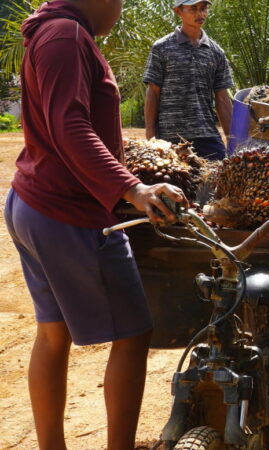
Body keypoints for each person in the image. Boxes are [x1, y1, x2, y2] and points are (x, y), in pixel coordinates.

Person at [6, 0, 187, 448]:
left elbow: (70, 122)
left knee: (53, 332)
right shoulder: (65, 34)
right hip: (68, 212)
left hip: (34, 204)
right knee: (134, 332)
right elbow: (69, 125)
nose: (122, 8)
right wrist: (133, 189)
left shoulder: (54, 31)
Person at [143, 0, 234, 160]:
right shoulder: (161, 48)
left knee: (217, 180)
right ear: (178, 11)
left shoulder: (216, 52)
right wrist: (151, 137)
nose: (200, 14)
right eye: (193, 9)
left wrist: (233, 141)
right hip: (169, 138)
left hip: (207, 137)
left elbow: (222, 98)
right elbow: (153, 93)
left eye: (203, 8)